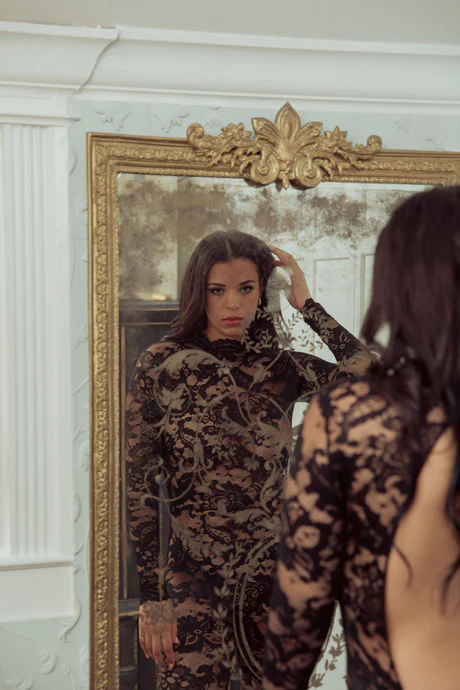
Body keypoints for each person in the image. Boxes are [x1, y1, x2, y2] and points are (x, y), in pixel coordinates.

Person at [125, 230, 372, 690]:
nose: (232, 304)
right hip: (192, 583)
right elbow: (141, 489)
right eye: (217, 290)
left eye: (245, 288)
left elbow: (373, 380)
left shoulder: (283, 368)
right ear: (199, 293)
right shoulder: (161, 366)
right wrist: (152, 600)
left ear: (263, 292)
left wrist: (307, 305)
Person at [262, 187, 460, 690]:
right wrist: (307, 304)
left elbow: (303, 606)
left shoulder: (353, 416)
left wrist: (307, 305)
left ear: (399, 285)